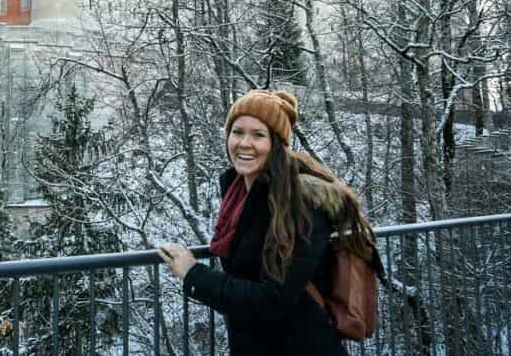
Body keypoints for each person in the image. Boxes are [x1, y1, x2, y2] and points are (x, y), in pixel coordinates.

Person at [157, 89, 374, 355]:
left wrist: (193, 274)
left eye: (258, 135)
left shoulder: (301, 202)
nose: (244, 143)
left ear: (276, 143)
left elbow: (273, 299)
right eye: (237, 132)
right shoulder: (240, 193)